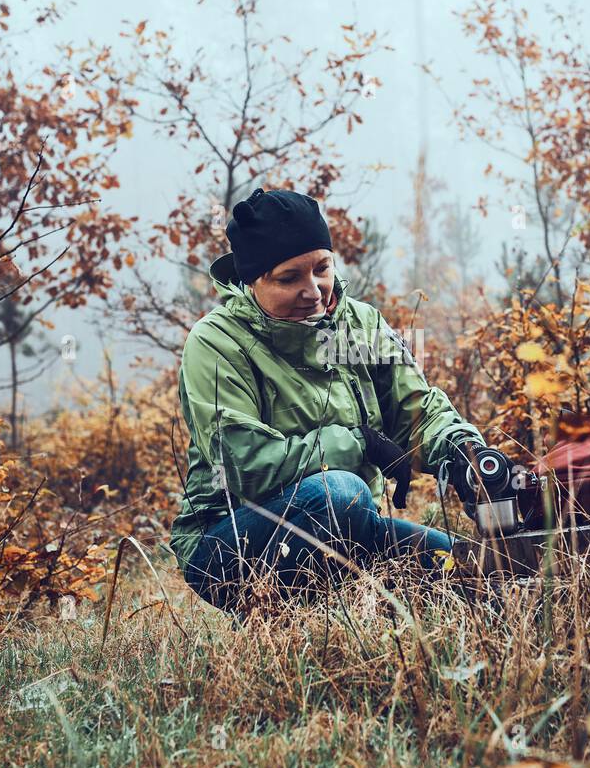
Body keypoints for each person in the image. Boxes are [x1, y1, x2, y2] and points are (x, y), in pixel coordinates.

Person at [168, 187, 495, 614]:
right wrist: (357, 443)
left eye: (322, 267)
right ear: (251, 281)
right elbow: (241, 465)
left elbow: (416, 412)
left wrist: (464, 454)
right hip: (229, 541)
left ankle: (362, 612)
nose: (314, 291)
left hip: (354, 526)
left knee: (479, 569)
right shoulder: (217, 342)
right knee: (340, 492)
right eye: (289, 278)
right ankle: (293, 623)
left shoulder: (358, 324)